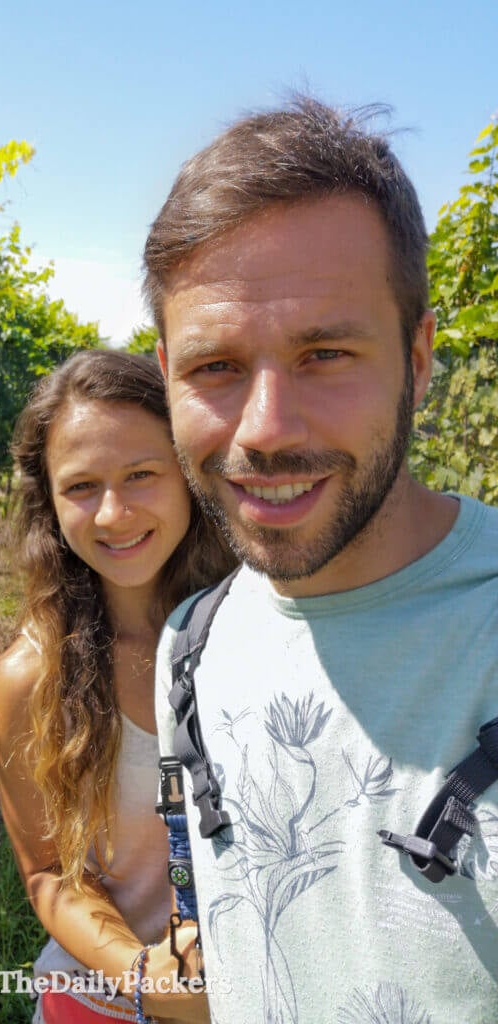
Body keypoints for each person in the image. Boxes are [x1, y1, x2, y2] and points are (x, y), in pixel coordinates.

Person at [146, 97, 498, 1023]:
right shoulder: (190, 649)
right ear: (167, 375)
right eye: (215, 367)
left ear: (418, 358)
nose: (264, 430)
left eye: (326, 353)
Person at [0, 349, 235, 1024]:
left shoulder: (262, 630)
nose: (112, 513)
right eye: (80, 487)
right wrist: (149, 980)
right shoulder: (32, 678)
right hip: (103, 997)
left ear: (188, 472)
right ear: (48, 502)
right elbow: (50, 871)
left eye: (141, 474)